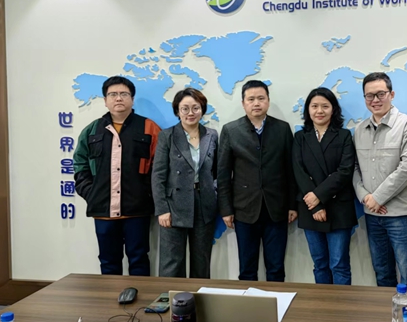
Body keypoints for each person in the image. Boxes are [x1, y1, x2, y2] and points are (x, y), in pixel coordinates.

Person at [74, 76, 161, 276]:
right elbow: (80, 164)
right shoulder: (92, 130)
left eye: (124, 94)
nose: (118, 98)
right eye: (113, 94)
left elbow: (160, 167)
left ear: (132, 99)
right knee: (108, 261)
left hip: (137, 210)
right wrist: (91, 192)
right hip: (103, 209)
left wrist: (147, 194)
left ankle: (139, 296)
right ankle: (111, 297)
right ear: (105, 100)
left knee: (139, 258)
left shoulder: (149, 128)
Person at [217, 80, 297, 282]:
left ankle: (277, 301)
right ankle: (248, 302)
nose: (256, 103)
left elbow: (290, 170)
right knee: (247, 268)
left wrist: (292, 205)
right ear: (243, 103)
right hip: (244, 209)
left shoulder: (282, 129)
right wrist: (226, 209)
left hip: (277, 209)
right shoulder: (231, 130)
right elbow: (223, 174)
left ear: (268, 101)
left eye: (261, 98)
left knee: (276, 268)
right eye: (251, 99)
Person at [352, 72, 407, 289]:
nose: (375, 100)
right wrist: (365, 197)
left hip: (401, 215)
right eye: (369, 95)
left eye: (380, 94)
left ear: (391, 94)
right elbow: (354, 168)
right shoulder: (359, 130)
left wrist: (378, 198)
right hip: (372, 215)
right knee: (382, 274)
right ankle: (387, 312)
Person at [292, 87, 357, 285]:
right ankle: (323, 304)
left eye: (325, 106)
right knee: (320, 263)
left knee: (339, 264)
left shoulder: (344, 136)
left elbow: (344, 171)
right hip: (310, 208)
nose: (319, 111)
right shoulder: (300, 137)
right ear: (308, 110)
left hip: (339, 208)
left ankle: (342, 304)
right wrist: (316, 205)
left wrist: (318, 196)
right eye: (314, 106)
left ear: (333, 109)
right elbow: (299, 172)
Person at [152, 88, 218, 278]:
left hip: (204, 205)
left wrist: (213, 193)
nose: (191, 113)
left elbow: (217, 172)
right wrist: (162, 209)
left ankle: (199, 296)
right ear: (177, 111)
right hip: (174, 206)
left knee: (202, 261)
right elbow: (158, 175)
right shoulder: (167, 135)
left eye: (195, 108)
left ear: (202, 109)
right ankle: (170, 297)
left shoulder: (211, 135)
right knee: (172, 262)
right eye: (185, 108)